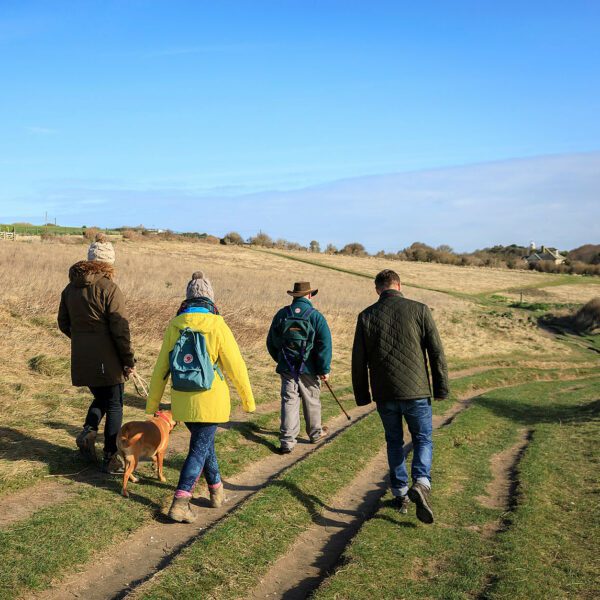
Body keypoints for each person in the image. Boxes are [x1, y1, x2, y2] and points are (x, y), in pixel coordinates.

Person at [146, 271, 255, 523]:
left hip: (183, 400)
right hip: (211, 401)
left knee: (205, 446)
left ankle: (217, 492)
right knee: (198, 449)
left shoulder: (175, 325)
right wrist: (248, 400)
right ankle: (180, 502)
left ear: (187, 297)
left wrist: (153, 402)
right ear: (210, 298)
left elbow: (162, 367)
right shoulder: (218, 325)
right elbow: (236, 366)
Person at [351, 269, 448, 524]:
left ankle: (401, 492)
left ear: (377, 289)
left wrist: (363, 396)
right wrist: (441, 388)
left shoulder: (366, 316)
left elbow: (358, 362)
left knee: (394, 441)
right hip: (416, 390)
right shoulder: (420, 310)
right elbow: (436, 352)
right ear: (399, 285)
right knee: (422, 438)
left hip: (385, 393)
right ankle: (422, 482)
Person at [57, 233, 136, 473]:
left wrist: (82, 341)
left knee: (102, 398)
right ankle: (110, 457)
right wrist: (128, 360)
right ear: (109, 263)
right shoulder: (109, 288)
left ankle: (88, 432)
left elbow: (62, 322)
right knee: (115, 404)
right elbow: (120, 328)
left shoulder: (70, 289)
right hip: (108, 359)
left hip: (82, 359)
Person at [267, 281, 332, 454]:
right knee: (311, 400)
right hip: (309, 369)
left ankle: (287, 441)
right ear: (309, 295)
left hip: (287, 368)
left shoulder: (282, 314)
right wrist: (324, 369)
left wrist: (281, 360)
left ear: (294, 296)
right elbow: (325, 344)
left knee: (289, 401)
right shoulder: (316, 316)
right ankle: (315, 433)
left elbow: (271, 342)